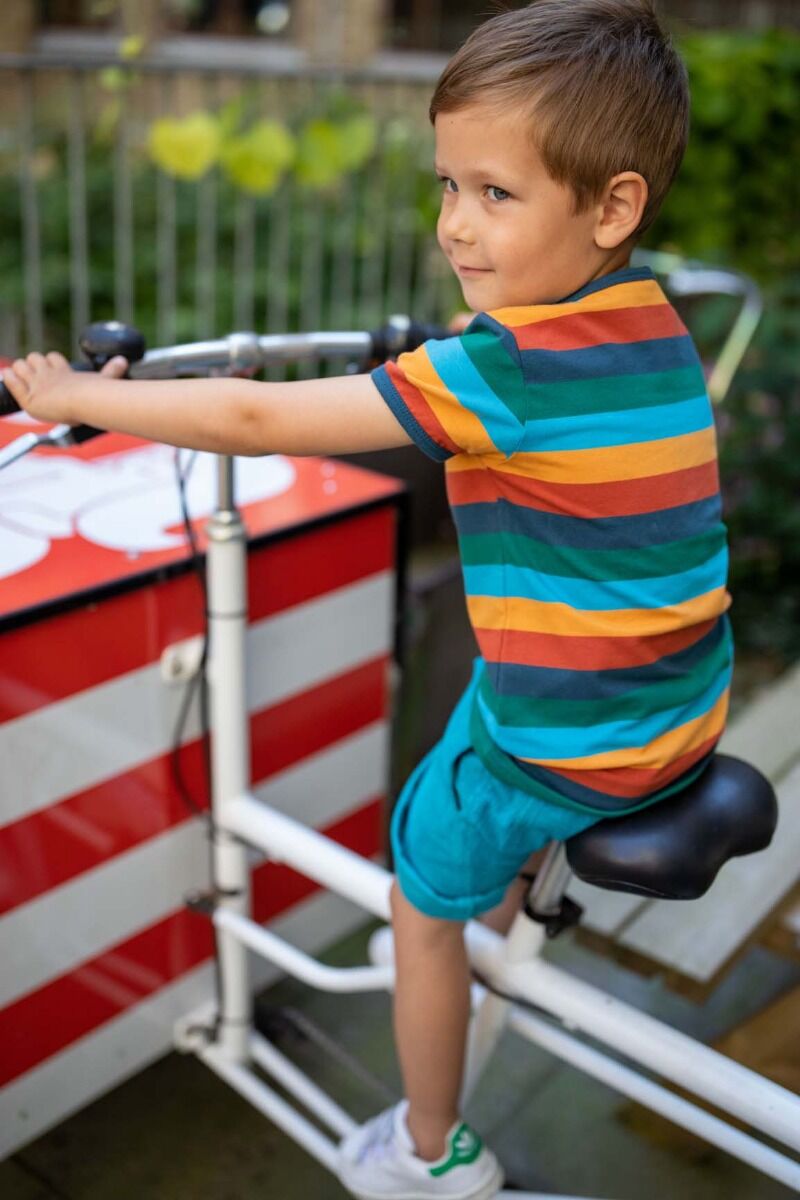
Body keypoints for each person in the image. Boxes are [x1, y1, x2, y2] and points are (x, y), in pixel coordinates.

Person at [3, 2, 734, 1196]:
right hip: (676, 706)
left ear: (611, 207)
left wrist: (78, 393)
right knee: (482, 755)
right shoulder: (650, 321)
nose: (454, 224)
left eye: (495, 196)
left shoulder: (498, 374)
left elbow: (250, 415)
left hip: (569, 744)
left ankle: (429, 1145)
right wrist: (469, 330)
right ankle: (503, 912)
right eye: (445, 185)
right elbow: (537, 395)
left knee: (416, 893)